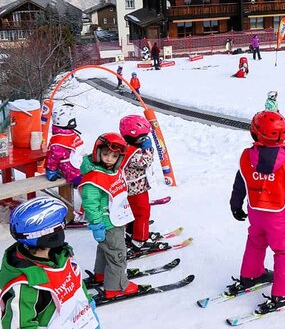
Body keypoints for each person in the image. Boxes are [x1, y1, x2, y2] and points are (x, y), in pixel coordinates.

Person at [228, 111, 285, 314]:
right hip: (276, 216)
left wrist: (235, 204)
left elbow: (240, 183)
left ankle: (251, 275)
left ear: (255, 133)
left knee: (255, 241)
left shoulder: (247, 156)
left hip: (255, 211)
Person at [0, 197, 100, 329]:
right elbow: (19, 326)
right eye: (61, 226)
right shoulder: (25, 285)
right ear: (50, 236)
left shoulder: (62, 255)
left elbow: (75, 282)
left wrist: (88, 302)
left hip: (83, 319)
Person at [79, 133, 139, 299]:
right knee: (117, 254)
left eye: (114, 156)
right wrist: (96, 224)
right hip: (107, 223)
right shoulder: (95, 177)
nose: (109, 159)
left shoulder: (111, 171)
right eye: (105, 154)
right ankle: (116, 286)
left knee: (105, 248)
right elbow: (90, 203)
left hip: (115, 219)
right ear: (98, 152)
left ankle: (101, 274)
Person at [118, 115, 167, 258]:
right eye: (143, 138)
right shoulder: (133, 152)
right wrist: (149, 148)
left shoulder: (125, 146)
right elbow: (145, 161)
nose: (145, 140)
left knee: (133, 213)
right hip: (136, 189)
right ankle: (140, 240)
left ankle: (131, 233)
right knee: (142, 213)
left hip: (130, 188)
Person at [46, 103, 84, 187]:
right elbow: (55, 157)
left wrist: (50, 170)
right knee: (86, 182)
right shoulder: (69, 135)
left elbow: (54, 158)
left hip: (73, 169)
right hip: (76, 168)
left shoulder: (61, 139)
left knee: (87, 183)